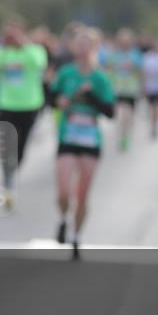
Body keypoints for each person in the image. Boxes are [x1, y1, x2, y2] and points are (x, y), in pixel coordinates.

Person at [50, 27, 114, 259]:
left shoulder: (100, 77)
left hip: (90, 140)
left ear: (95, 48)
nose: (84, 48)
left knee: (83, 195)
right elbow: (50, 96)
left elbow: (110, 112)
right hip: (67, 137)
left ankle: (76, 237)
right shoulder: (66, 73)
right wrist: (59, 101)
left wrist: (91, 96)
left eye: (89, 44)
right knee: (64, 192)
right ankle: (62, 219)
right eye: (80, 43)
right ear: (74, 47)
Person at [0, 19, 47, 211]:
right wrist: (3, 53)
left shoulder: (34, 50)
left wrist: (23, 46)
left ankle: (11, 174)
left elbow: (39, 65)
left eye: (15, 33)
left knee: (20, 149)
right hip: (6, 104)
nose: (12, 37)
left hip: (29, 105)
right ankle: (8, 183)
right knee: (5, 148)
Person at [101, 27, 142, 152]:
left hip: (131, 90)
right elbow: (105, 68)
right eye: (122, 41)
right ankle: (122, 134)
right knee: (119, 115)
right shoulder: (113, 54)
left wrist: (142, 86)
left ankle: (125, 136)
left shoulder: (135, 54)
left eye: (127, 41)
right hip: (116, 89)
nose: (124, 43)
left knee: (128, 115)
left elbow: (140, 70)